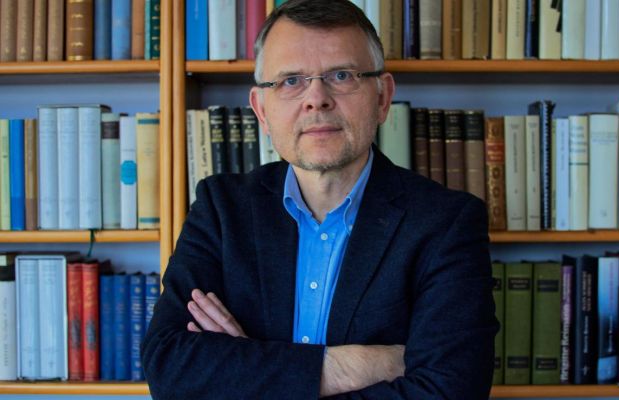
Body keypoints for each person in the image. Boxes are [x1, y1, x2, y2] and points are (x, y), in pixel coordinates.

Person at [142, 0, 498, 398]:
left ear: (382, 98)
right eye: (290, 80)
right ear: (261, 110)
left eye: (341, 75)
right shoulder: (221, 209)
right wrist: (354, 365)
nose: (316, 99)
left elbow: (451, 391)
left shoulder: (446, 223)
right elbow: (169, 368)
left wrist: (249, 372)